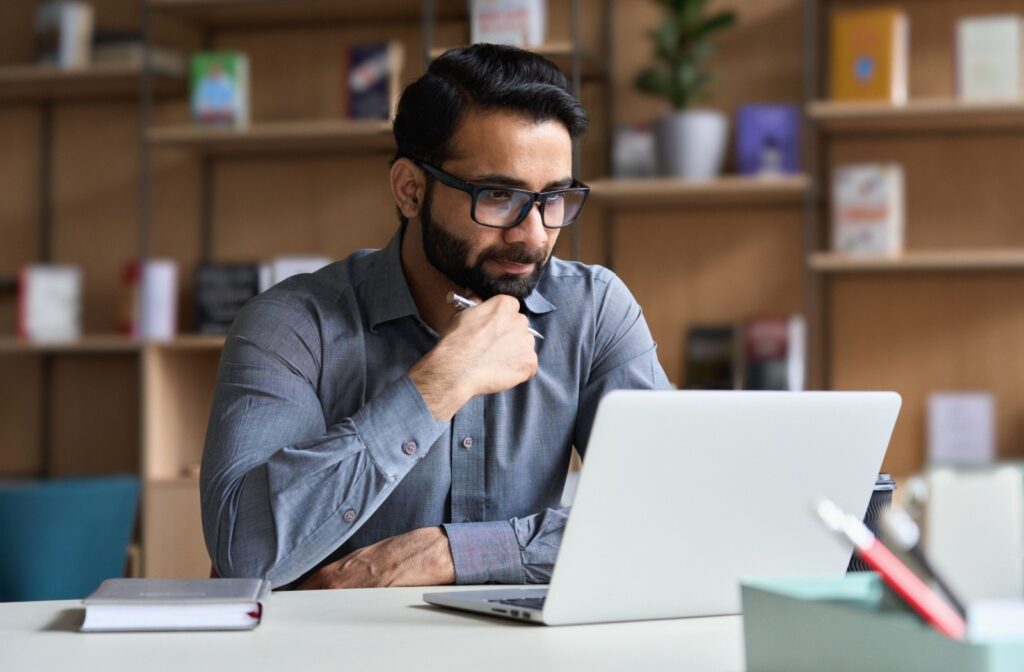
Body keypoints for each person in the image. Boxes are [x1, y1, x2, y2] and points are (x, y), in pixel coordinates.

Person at [200, 43, 671, 590]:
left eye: (555, 199)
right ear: (409, 190)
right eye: (498, 195)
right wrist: (438, 384)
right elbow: (245, 554)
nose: (535, 235)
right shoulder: (290, 326)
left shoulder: (594, 311)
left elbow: (673, 514)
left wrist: (449, 554)